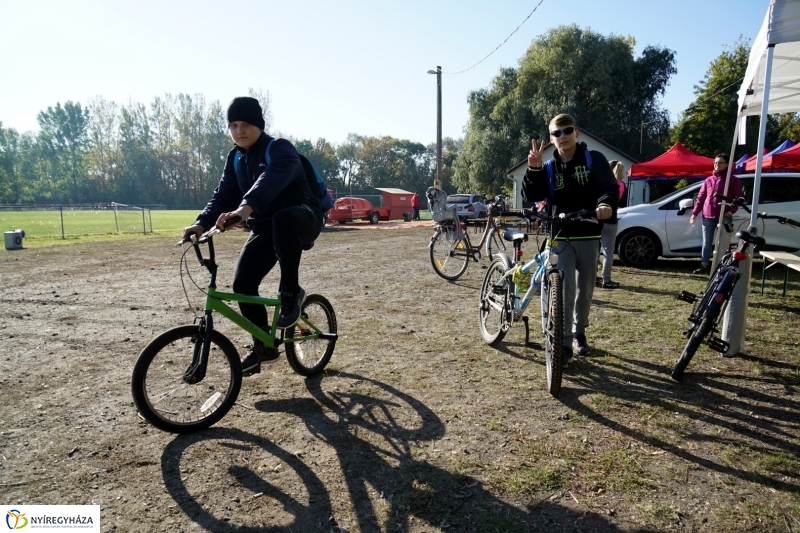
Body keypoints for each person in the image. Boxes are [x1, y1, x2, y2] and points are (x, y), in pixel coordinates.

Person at [182, 96, 324, 376]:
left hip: (303, 216)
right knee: (243, 284)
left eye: (246, 124)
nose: (239, 131)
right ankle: (264, 345)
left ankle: (290, 292)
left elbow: (271, 180)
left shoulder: (280, 149)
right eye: (233, 125)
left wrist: (244, 209)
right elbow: (223, 196)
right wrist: (200, 225)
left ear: (259, 125)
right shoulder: (234, 157)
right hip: (265, 225)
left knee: (283, 219)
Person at [522, 114, 618, 364]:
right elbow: (531, 194)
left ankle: (579, 334)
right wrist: (533, 167)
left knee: (585, 290)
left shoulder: (593, 159)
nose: (562, 136)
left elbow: (609, 187)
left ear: (577, 133)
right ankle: (562, 343)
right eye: (556, 133)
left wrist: (605, 203)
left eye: (567, 131)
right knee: (564, 289)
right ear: (551, 138)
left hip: (588, 234)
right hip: (560, 236)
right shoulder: (549, 168)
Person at [689, 153, 743, 275]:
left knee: (723, 243)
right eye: (715, 163)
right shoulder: (708, 180)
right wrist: (695, 213)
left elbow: (739, 198)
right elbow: (701, 198)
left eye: (720, 163)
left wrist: (731, 211)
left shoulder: (732, 179)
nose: (717, 165)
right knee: (707, 242)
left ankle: (722, 266)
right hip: (708, 215)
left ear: (727, 164)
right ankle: (704, 264)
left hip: (724, 215)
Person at [596, 160, 627, 289]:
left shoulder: (601, 182)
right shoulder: (621, 185)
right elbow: (623, 203)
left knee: (595, 249)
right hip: (611, 218)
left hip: (598, 219)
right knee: (608, 251)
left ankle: (592, 277)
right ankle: (606, 279)